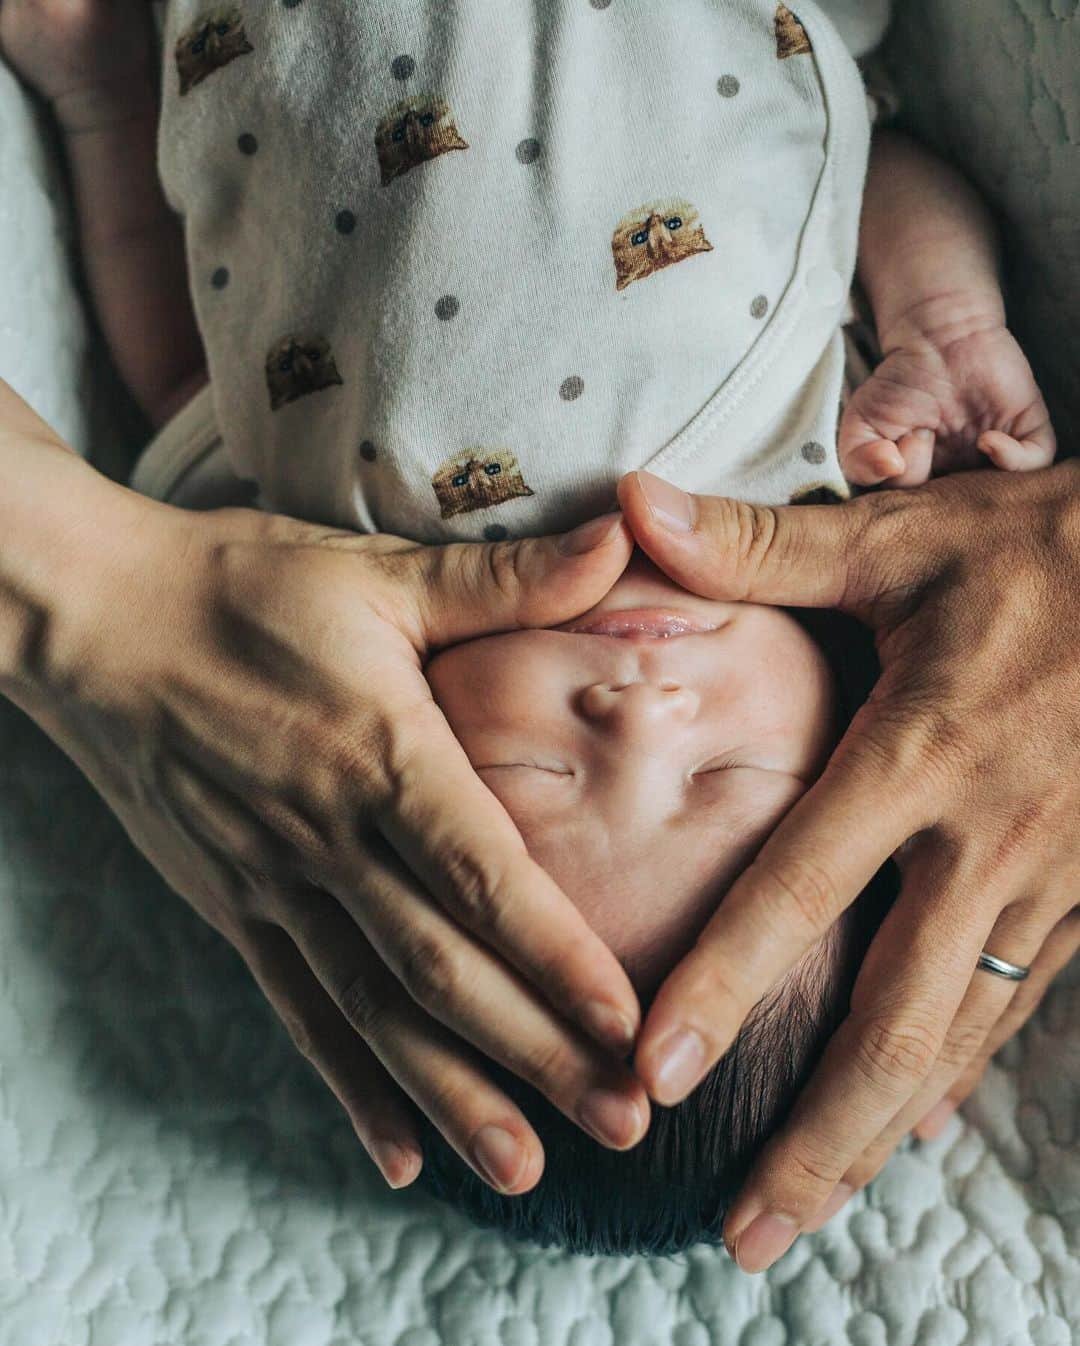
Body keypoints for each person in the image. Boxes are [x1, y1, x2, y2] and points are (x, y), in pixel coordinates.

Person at [0, 0, 1075, 1266]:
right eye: (727, 777)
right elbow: (869, 174)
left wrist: (101, 102)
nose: (638, 712)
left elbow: (176, 374)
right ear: (854, 735)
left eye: (535, 776)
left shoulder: (299, 568)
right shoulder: (843, 472)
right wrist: (946, 327)